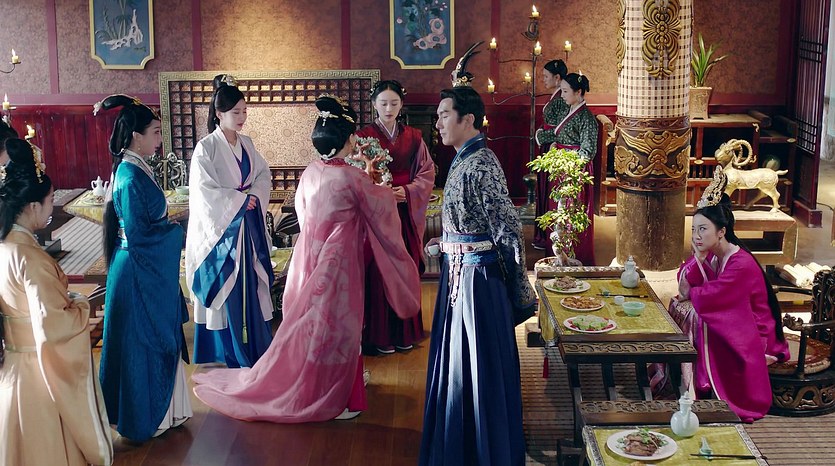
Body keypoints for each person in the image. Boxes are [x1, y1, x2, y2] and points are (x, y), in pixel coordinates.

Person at [192, 95, 420, 422]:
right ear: (345, 141)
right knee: (340, 327)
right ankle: (335, 394)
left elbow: (303, 211)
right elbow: (381, 209)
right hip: (339, 263)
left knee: (316, 326)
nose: (354, 141)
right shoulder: (352, 178)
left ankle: (320, 383)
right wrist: (381, 181)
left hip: (309, 255)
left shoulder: (311, 172)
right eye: (352, 137)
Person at [420, 59, 536, 464]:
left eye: (444, 115)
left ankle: (484, 451)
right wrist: (446, 242)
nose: (438, 123)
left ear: (468, 119)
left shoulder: (482, 163)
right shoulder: (463, 160)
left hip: (478, 282)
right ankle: (464, 446)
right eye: (437, 116)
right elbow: (473, 225)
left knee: (478, 366)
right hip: (459, 276)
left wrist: (519, 291)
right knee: (460, 365)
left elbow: (508, 231)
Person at [0, 138, 113, 465]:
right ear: (32, 206)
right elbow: (53, 326)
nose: (52, 208)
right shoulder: (31, 258)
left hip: (12, 370)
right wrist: (81, 306)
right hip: (38, 374)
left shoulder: (6, 247)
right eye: (50, 201)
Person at [657, 168, 789, 423]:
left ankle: (700, 384)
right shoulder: (715, 255)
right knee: (683, 307)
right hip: (736, 320)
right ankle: (687, 380)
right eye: (694, 229)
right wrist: (698, 259)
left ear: (721, 231)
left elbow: (711, 297)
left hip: (756, 331)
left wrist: (693, 292)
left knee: (696, 316)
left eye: (703, 229)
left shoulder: (740, 264)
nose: (696, 236)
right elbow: (685, 284)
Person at [96, 95, 192, 442]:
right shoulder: (130, 176)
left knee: (144, 339)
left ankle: (164, 411)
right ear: (136, 135)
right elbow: (138, 236)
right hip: (138, 268)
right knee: (144, 341)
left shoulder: (134, 168)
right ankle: (147, 415)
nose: (160, 140)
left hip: (137, 265)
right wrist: (177, 231)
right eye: (155, 133)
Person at [185, 74, 274, 368]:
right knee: (228, 286)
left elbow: (263, 174)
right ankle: (228, 350)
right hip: (223, 232)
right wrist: (238, 201)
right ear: (219, 113)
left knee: (251, 281)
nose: (242, 117)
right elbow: (203, 192)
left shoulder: (247, 143)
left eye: (245, 111)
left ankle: (255, 344)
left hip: (247, 225)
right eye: (236, 112)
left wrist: (254, 196)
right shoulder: (206, 148)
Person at [356, 79, 435, 355]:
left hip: (403, 209)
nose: (388, 109)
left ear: (401, 105)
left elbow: (427, 172)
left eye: (394, 103)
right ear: (374, 104)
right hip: (376, 213)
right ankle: (379, 335)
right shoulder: (363, 137)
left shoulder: (414, 136)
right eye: (383, 103)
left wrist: (409, 191)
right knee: (378, 270)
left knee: (405, 266)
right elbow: (356, 174)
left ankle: (405, 332)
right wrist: (380, 192)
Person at [533, 72, 598, 265]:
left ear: (578, 92)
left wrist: (566, 158)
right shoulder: (569, 111)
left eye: (565, 91)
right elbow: (558, 134)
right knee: (558, 212)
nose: (561, 95)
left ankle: (574, 257)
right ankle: (558, 254)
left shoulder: (586, 117)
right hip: (561, 169)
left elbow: (587, 151)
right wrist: (550, 143)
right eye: (561, 91)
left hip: (574, 172)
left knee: (571, 213)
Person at [532, 59, 569, 249]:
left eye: (546, 76)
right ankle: (543, 235)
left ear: (557, 78)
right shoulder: (556, 96)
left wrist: (541, 135)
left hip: (552, 146)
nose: (544, 80)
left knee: (549, 189)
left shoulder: (562, 99)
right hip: (546, 145)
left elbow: (560, 129)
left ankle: (548, 236)